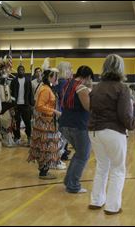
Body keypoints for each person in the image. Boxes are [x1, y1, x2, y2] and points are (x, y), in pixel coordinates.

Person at [88, 54, 135, 215]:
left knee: (102, 166)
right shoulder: (122, 88)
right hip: (113, 132)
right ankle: (112, 206)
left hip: (94, 131)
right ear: (120, 68)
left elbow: (91, 108)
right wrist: (132, 125)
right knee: (118, 168)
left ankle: (96, 201)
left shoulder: (96, 87)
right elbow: (125, 114)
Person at [59, 65, 93, 193]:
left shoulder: (68, 84)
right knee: (83, 155)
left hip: (65, 124)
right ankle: (73, 185)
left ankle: (69, 181)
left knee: (79, 153)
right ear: (88, 77)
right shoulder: (82, 88)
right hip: (78, 125)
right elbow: (88, 107)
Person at [27, 68, 62, 179]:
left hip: (47, 122)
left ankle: (44, 170)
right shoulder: (45, 89)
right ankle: (43, 171)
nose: (57, 78)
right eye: (55, 76)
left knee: (45, 147)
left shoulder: (47, 88)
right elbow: (39, 106)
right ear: (50, 77)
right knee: (46, 146)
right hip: (45, 123)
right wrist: (54, 111)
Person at [10, 65, 34, 146]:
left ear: (24, 71)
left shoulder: (28, 80)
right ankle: (17, 138)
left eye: (22, 69)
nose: (21, 71)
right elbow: (11, 93)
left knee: (27, 123)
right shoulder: (14, 80)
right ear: (17, 71)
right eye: (19, 70)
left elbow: (31, 93)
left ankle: (29, 138)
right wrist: (12, 105)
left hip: (26, 105)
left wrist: (31, 104)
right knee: (16, 122)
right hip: (16, 105)